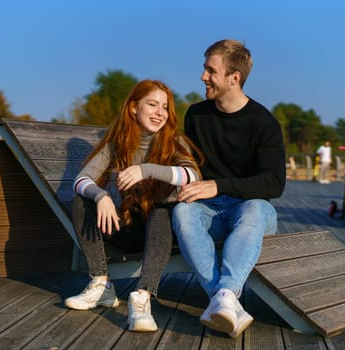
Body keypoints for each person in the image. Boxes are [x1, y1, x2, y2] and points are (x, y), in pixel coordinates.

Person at [65, 79, 202, 332]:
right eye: (152, 104)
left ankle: (142, 297)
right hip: (126, 229)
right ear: (133, 108)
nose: (160, 113)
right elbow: (81, 180)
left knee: (162, 212)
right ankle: (101, 285)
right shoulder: (117, 143)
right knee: (80, 201)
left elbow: (192, 175)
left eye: (165, 107)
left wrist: (147, 170)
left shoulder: (173, 142)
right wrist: (101, 197)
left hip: (161, 234)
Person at [172, 39, 286, 338]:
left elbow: (274, 183)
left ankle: (222, 296)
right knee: (183, 212)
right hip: (208, 212)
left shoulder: (264, 123)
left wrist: (218, 185)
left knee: (256, 207)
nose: (202, 76)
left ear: (234, 78)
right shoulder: (196, 115)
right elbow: (189, 164)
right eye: (204, 69)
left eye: (210, 70)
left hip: (250, 214)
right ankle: (224, 297)